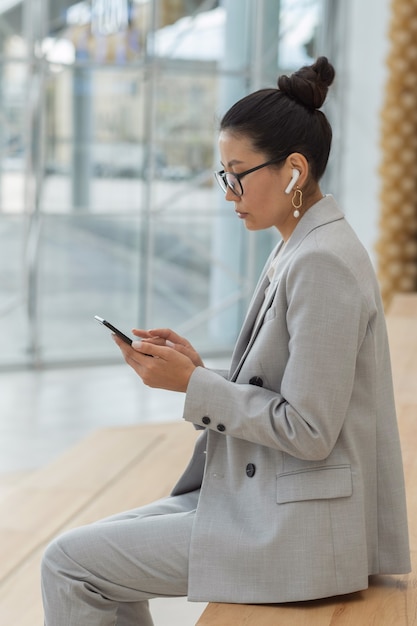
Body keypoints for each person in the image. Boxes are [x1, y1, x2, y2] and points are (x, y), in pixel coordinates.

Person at [41, 56, 411, 625]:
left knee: (69, 563)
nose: (227, 191)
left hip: (297, 527)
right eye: (223, 174)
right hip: (272, 499)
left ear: (293, 171)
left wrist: (194, 386)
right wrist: (198, 373)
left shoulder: (322, 263)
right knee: (85, 548)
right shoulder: (300, 246)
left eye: (237, 173)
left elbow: (310, 430)